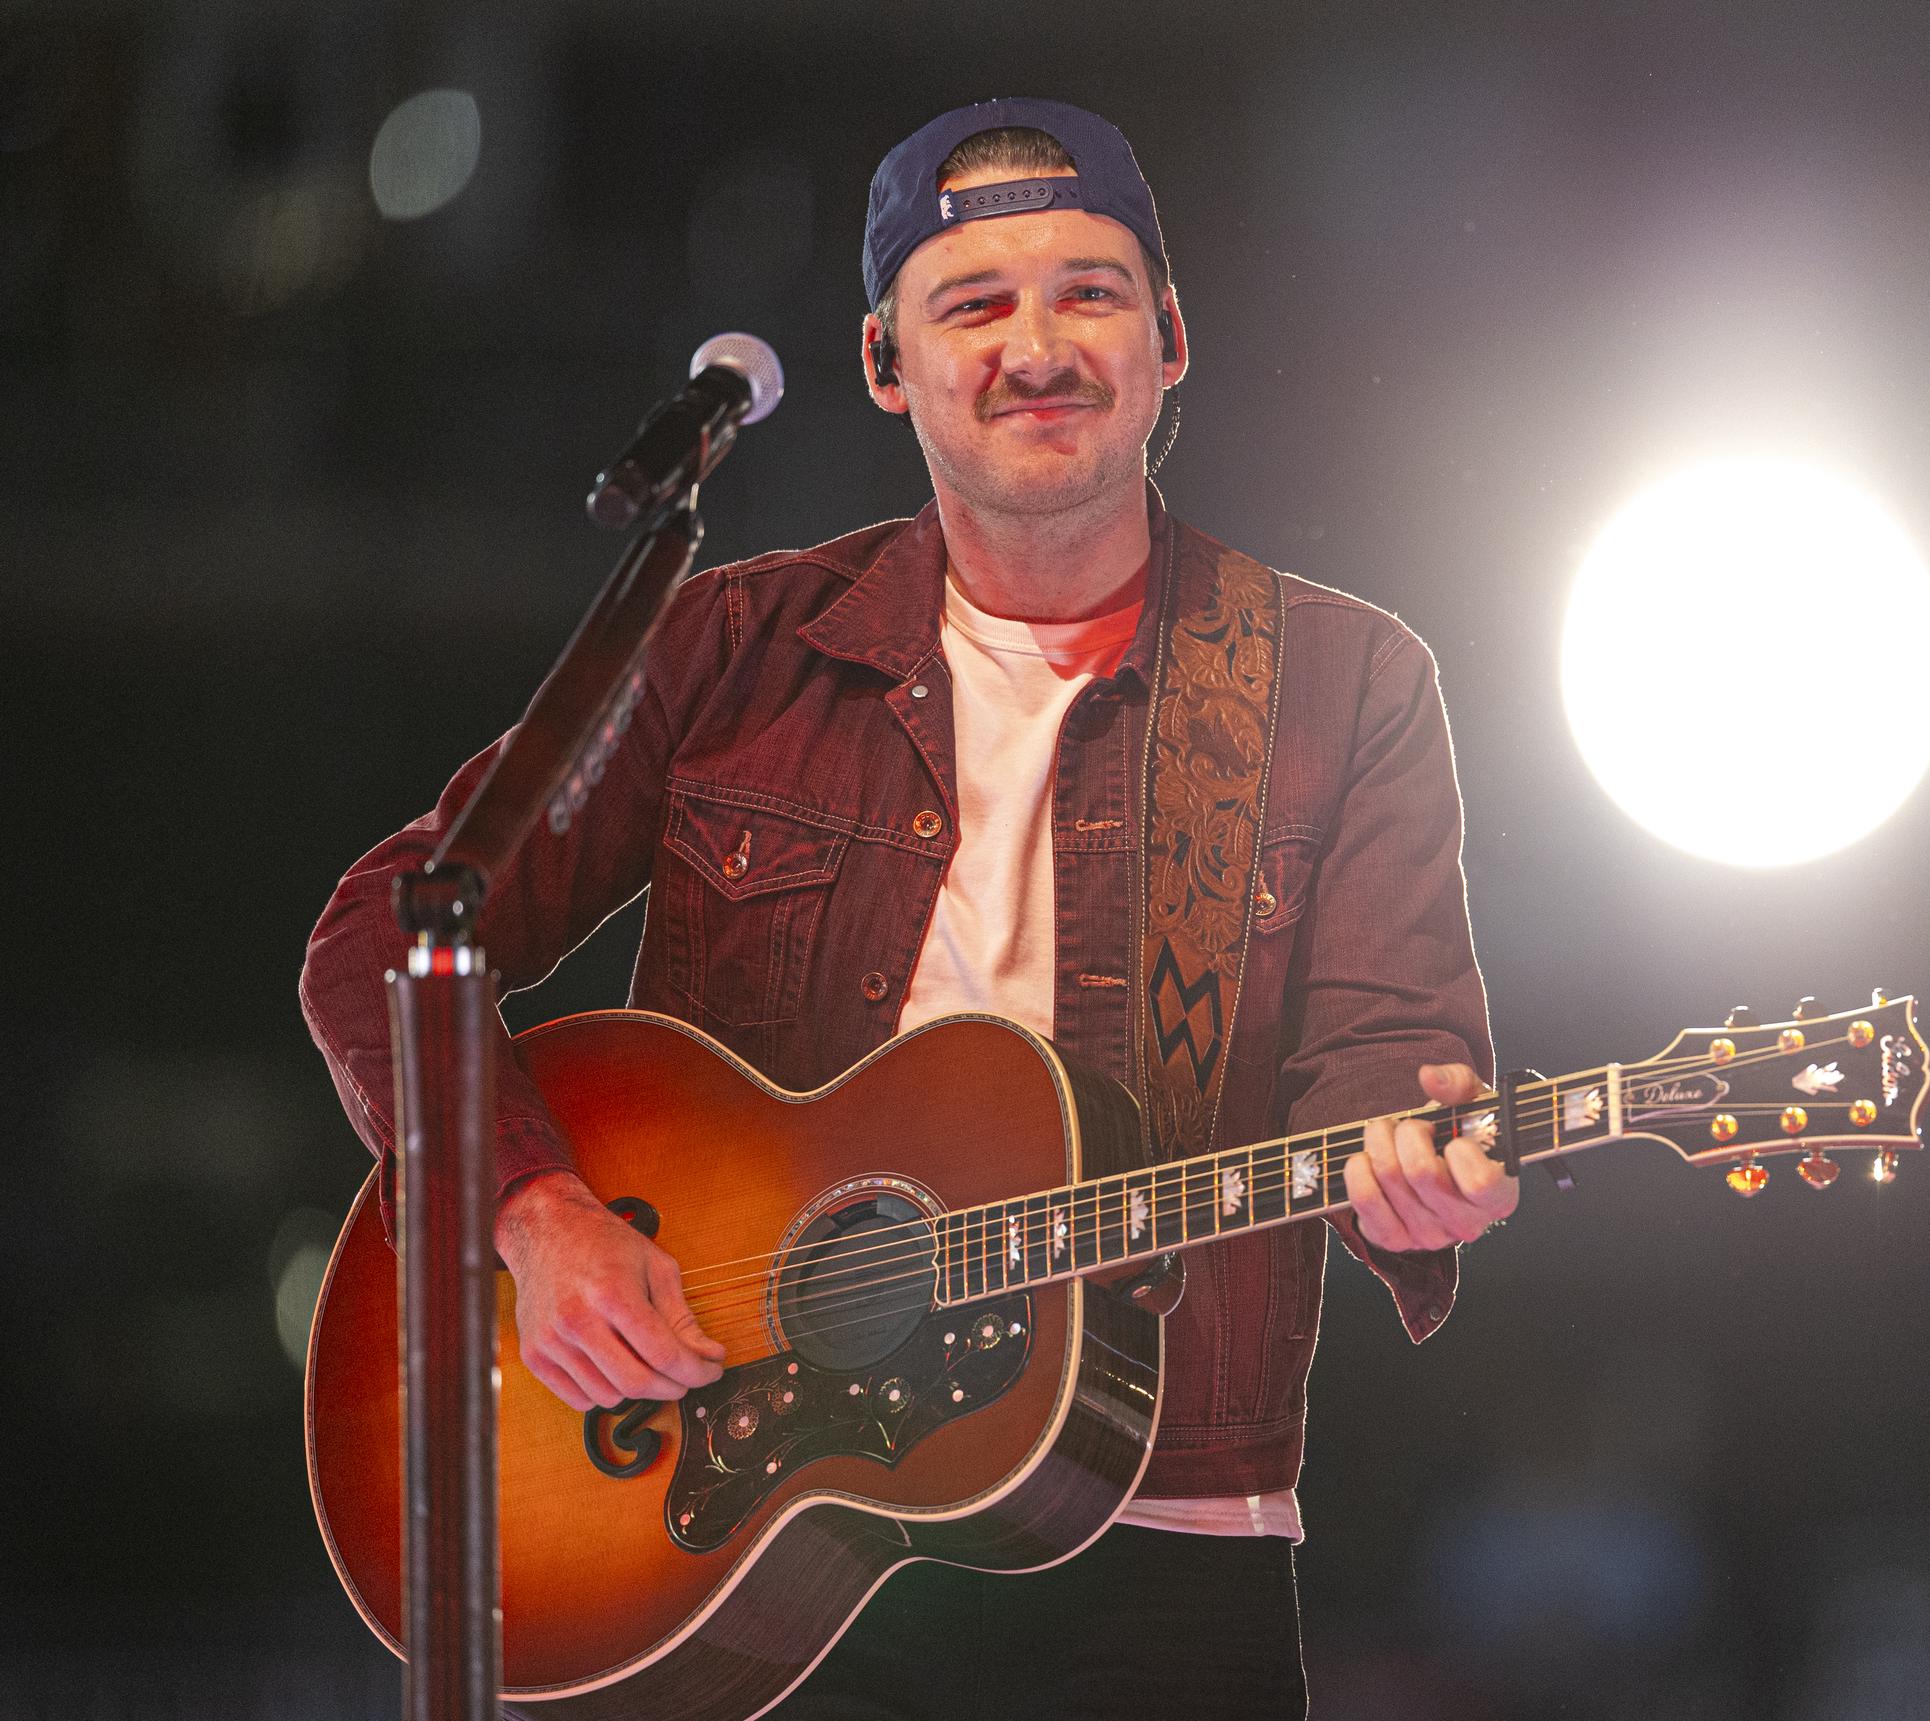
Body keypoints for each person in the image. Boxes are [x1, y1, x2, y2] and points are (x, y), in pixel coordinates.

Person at [299, 97, 1514, 1718]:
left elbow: (1390, 1057)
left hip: (1155, 1533)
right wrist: (536, 1211)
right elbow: (389, 927)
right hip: (725, 1513)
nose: (1037, 345)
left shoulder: (1342, 682)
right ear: (886, 363)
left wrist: (1409, 1163)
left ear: (1168, 337)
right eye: (974, 304)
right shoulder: (726, 648)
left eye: (1088, 291)